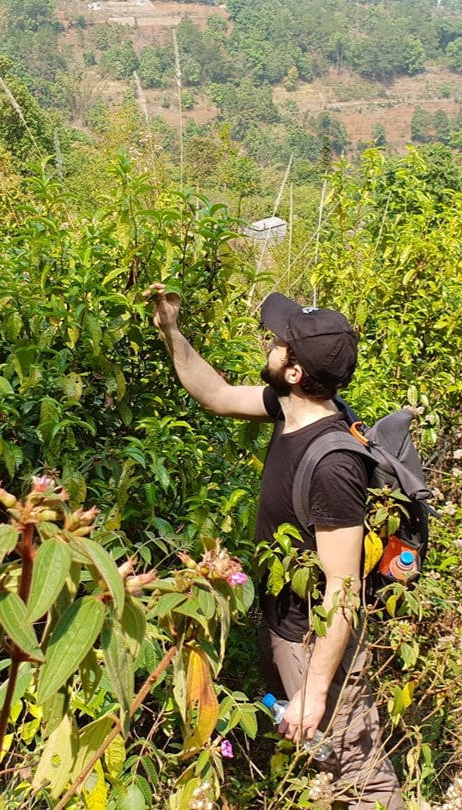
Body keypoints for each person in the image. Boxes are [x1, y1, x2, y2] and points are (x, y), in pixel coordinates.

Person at [148, 283, 404, 809]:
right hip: (284, 627)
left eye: (279, 341)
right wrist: (172, 330)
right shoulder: (289, 407)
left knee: (362, 777)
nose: (269, 342)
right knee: (323, 757)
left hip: (314, 641)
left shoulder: (333, 465)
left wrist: (314, 688)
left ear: (294, 372)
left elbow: (343, 589)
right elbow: (217, 395)